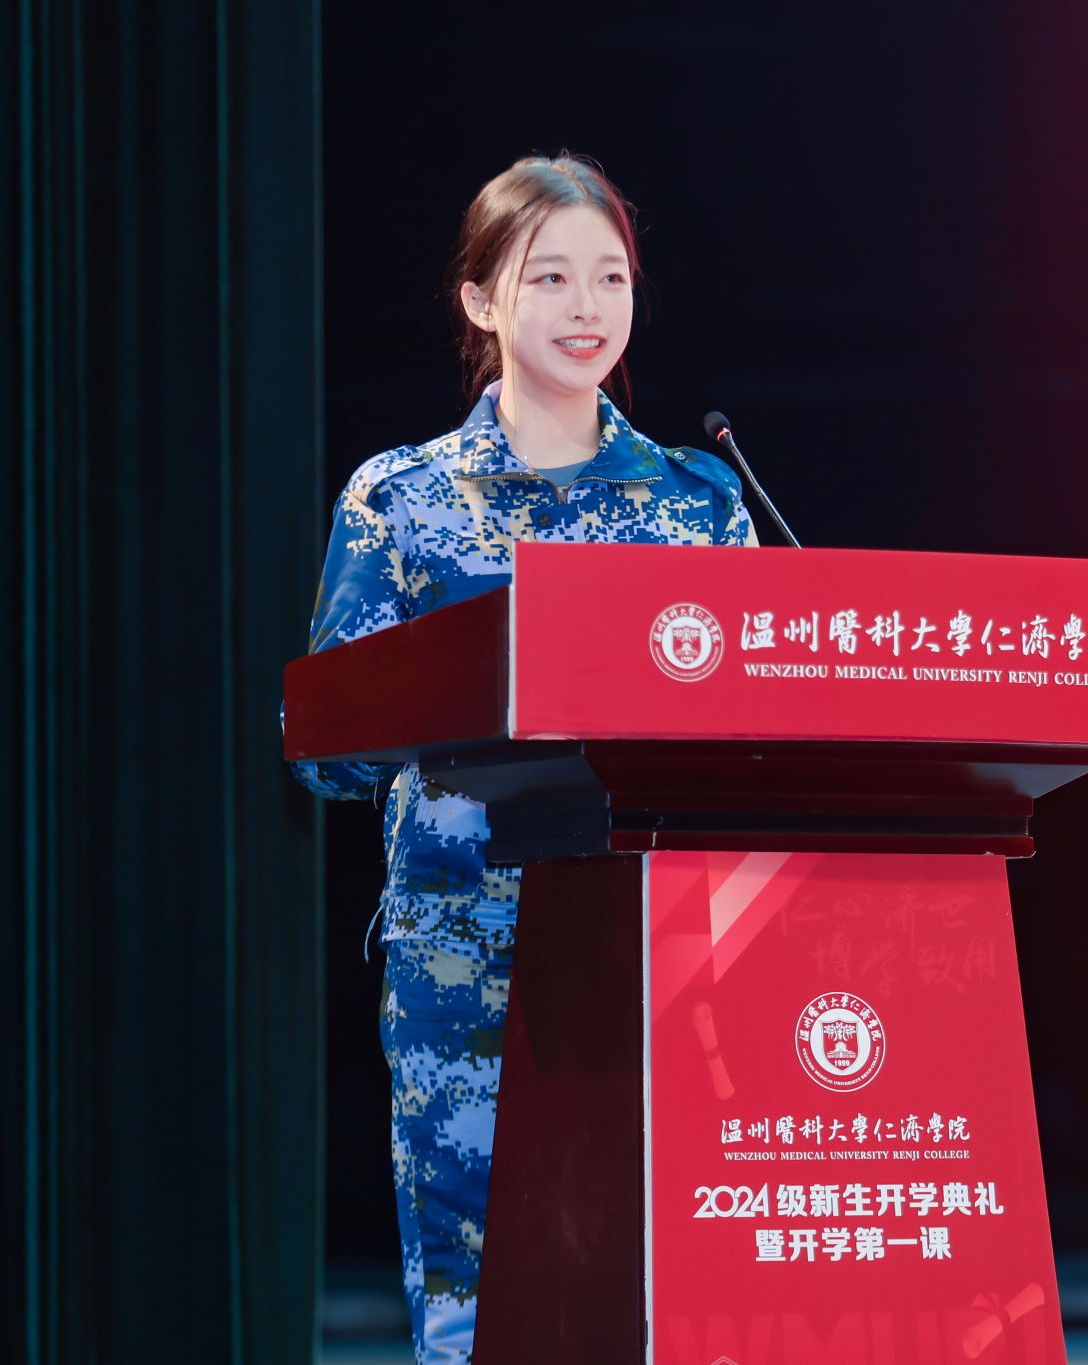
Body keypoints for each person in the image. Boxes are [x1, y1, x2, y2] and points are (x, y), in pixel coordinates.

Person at [289, 154, 757, 1364]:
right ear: (480, 301)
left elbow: (760, 720)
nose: (585, 307)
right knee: (479, 1298)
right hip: (467, 950)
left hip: (661, 945)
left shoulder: (699, 502)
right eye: (548, 278)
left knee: (663, 1280)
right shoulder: (400, 502)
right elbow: (327, 756)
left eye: (610, 277)